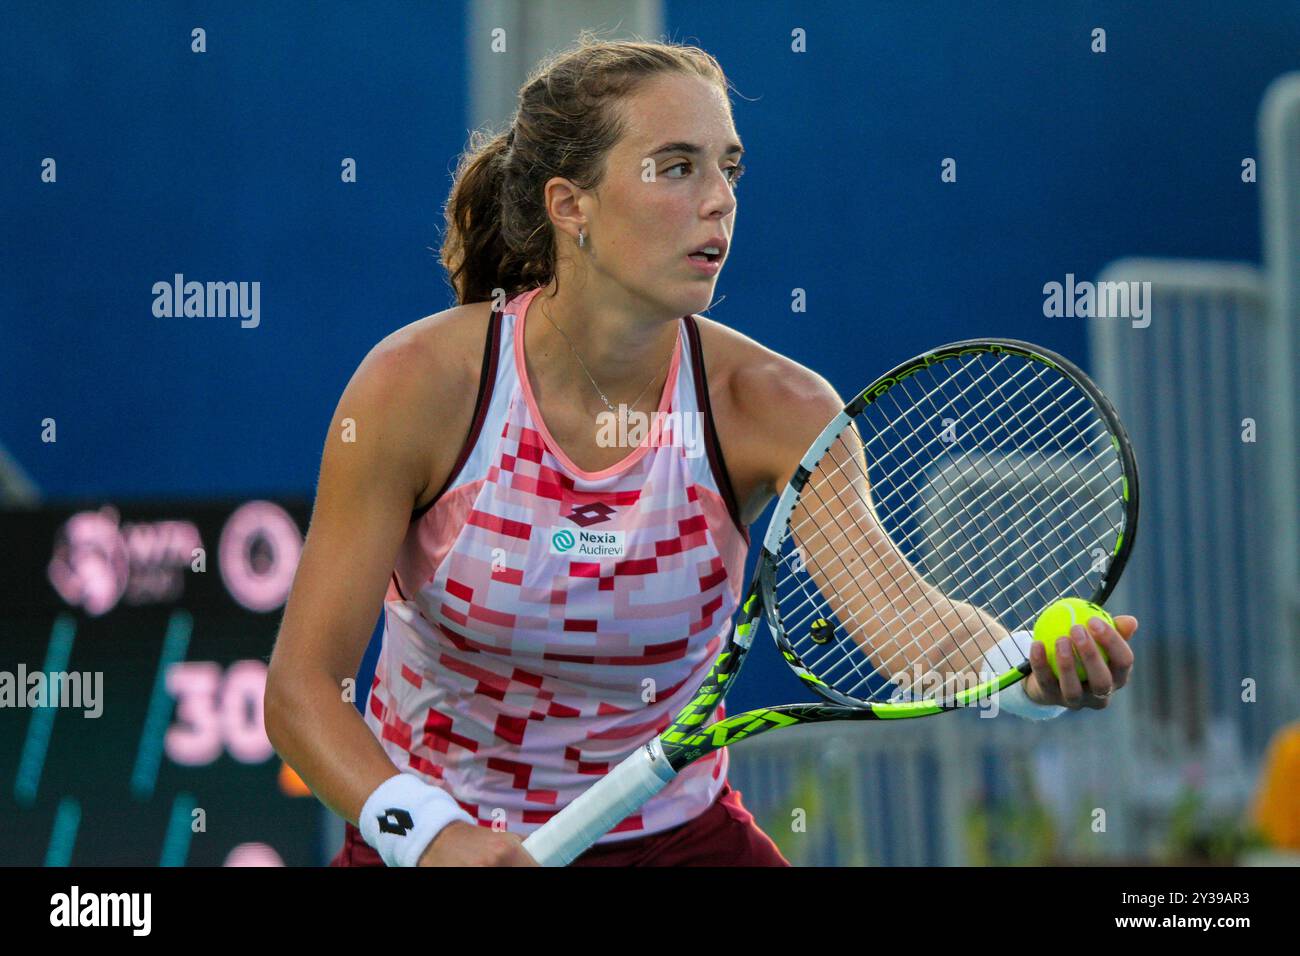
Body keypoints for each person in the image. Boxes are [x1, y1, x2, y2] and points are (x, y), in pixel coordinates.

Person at [264, 35, 1139, 868]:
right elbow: (303, 691)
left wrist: (1025, 676)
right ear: (571, 205)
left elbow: (907, 625)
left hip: (679, 842)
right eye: (677, 167)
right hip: (431, 837)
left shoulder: (776, 410)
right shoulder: (419, 386)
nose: (719, 197)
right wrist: (427, 832)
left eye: (730, 167)